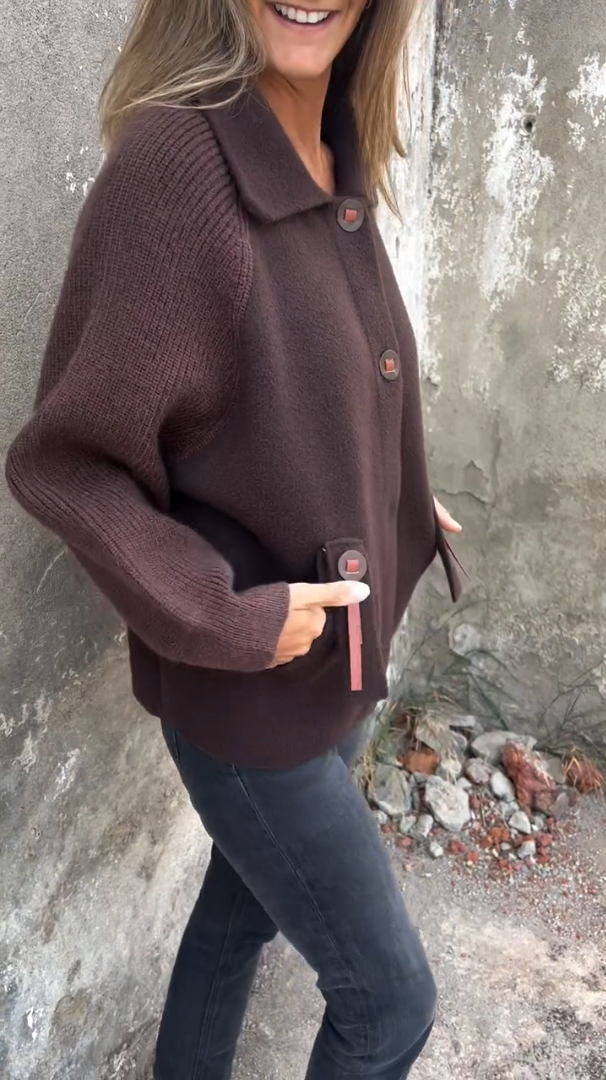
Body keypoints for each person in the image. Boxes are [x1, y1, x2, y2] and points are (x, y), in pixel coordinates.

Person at [5, 0, 465, 1076]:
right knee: (390, 1006)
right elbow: (66, 464)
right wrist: (225, 614)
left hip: (332, 668)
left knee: (240, 912)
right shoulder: (178, 169)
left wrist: (398, 493)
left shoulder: (332, 143)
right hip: (252, 695)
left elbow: (312, 390)